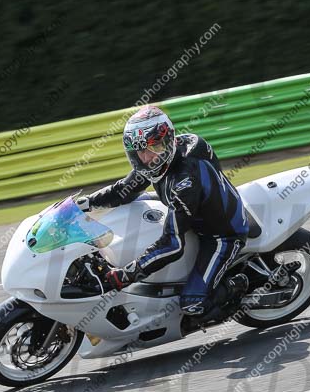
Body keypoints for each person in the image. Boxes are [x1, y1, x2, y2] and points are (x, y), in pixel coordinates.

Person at [76, 105, 249, 324]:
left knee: (193, 304)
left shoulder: (184, 180)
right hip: (193, 215)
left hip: (222, 234)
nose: (146, 158)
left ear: (167, 141)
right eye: (140, 152)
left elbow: (173, 245)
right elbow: (124, 190)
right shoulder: (162, 159)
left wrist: (127, 274)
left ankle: (238, 285)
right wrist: (86, 203)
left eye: (153, 148)